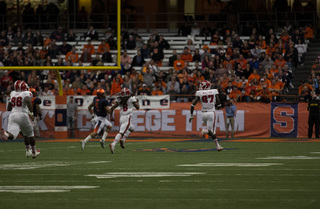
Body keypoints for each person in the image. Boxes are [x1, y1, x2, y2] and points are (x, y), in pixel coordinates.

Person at [0, 80, 40, 159]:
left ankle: (6, 134)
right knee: (30, 134)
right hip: (22, 115)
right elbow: (28, 101)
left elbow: (8, 108)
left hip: (12, 115)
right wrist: (31, 113)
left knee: (13, 136)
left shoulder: (12, 94)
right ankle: (34, 152)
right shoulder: (26, 93)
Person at [189, 80, 224, 151]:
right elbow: (219, 103)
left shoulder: (199, 93)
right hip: (211, 113)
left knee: (212, 132)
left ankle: (218, 146)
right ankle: (204, 131)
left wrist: (191, 115)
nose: (200, 87)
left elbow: (193, 105)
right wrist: (217, 106)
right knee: (210, 130)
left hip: (203, 114)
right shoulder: (214, 91)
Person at [109, 88, 140, 154]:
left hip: (122, 117)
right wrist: (136, 101)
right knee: (121, 132)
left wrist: (111, 116)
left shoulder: (119, 99)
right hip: (127, 117)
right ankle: (113, 144)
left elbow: (112, 108)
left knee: (132, 128)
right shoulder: (131, 98)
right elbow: (138, 107)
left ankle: (123, 139)